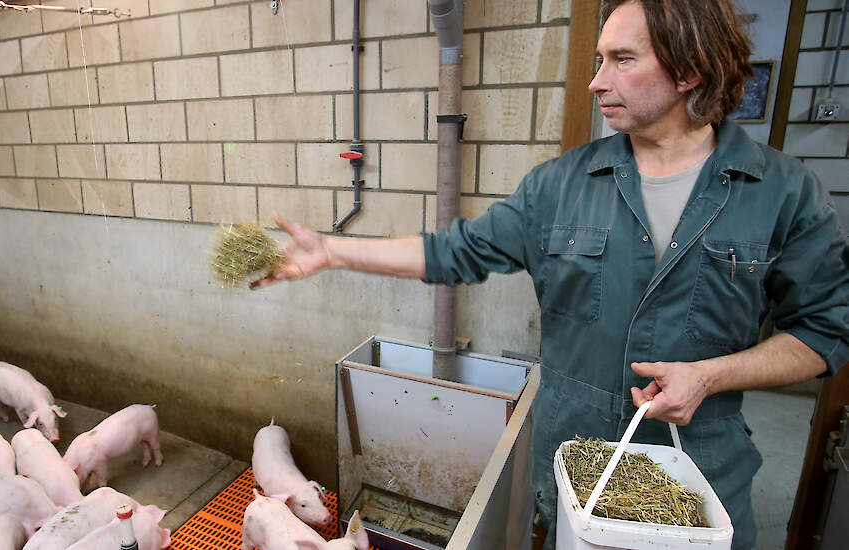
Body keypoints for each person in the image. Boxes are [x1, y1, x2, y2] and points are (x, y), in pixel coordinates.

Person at [252, 1, 849, 547]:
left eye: (622, 60)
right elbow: (454, 252)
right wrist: (332, 252)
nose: (597, 81)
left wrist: (713, 376)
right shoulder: (561, 186)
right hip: (572, 476)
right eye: (597, 60)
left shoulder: (781, 193)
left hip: (697, 485)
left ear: (688, 70)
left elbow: (825, 334)